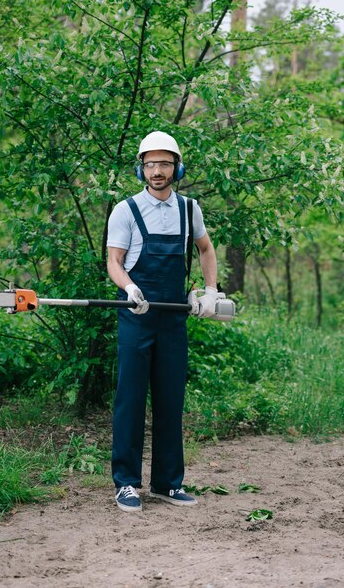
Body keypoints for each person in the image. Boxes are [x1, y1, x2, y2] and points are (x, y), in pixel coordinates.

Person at [107, 131, 219, 512]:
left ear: (177, 167)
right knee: (131, 400)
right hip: (136, 316)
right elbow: (114, 262)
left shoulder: (189, 209)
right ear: (141, 168)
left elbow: (205, 248)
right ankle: (126, 483)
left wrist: (209, 291)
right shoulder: (126, 210)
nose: (157, 171)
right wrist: (130, 288)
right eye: (151, 164)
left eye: (165, 164)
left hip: (173, 318)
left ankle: (167, 484)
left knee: (171, 400)